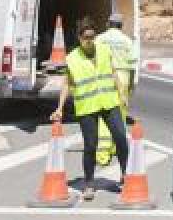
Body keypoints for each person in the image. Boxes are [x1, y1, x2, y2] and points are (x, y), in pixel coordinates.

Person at [52, 17, 129, 200]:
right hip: (87, 107)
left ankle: (126, 176)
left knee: (120, 137)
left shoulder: (103, 50)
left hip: (109, 102)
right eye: (86, 37)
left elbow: (113, 72)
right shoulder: (72, 59)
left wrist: (122, 94)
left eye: (93, 36)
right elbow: (67, 84)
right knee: (90, 145)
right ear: (79, 38)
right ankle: (88, 183)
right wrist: (59, 108)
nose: (90, 40)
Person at [96, 13, 137, 97]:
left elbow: (93, 59)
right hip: (123, 77)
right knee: (121, 106)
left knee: (106, 106)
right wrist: (131, 84)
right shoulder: (127, 40)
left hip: (104, 77)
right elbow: (132, 65)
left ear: (108, 24)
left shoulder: (99, 39)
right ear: (121, 25)